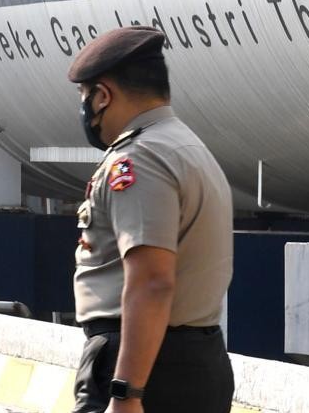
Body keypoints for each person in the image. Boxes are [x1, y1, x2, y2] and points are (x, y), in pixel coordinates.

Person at [66, 26, 235, 413]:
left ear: (103, 95)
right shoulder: (188, 147)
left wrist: (126, 392)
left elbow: (152, 281)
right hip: (197, 359)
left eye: (84, 97)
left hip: (143, 365)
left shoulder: (139, 159)